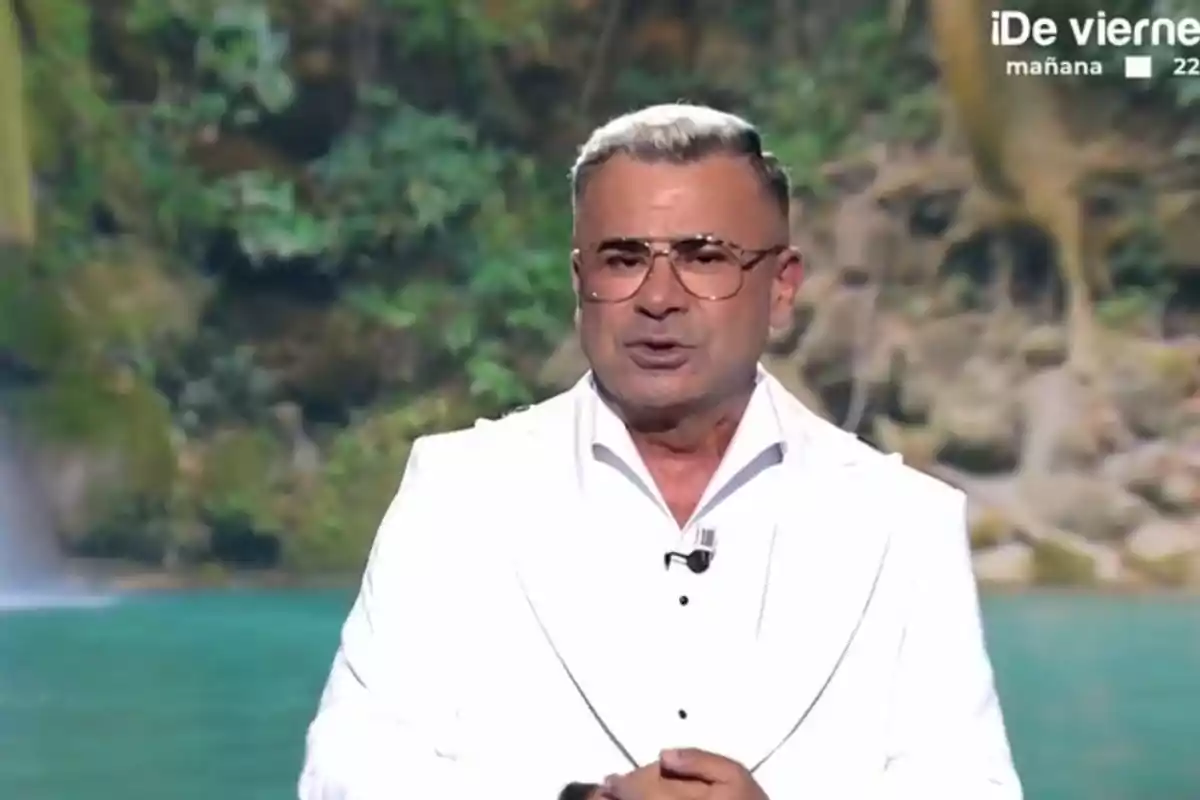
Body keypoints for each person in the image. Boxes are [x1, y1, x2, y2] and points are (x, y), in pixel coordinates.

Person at [298, 103, 1023, 800]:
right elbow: (347, 774)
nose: (659, 298)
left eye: (705, 256)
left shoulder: (904, 521)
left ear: (781, 288)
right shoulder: (458, 492)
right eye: (624, 259)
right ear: (581, 282)